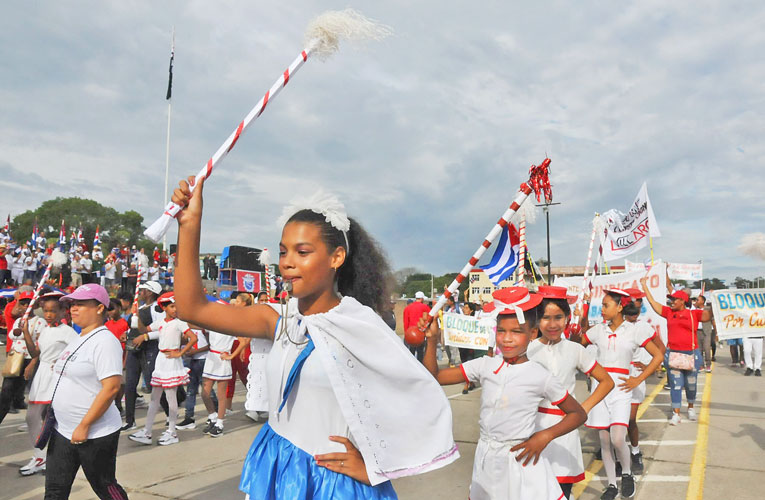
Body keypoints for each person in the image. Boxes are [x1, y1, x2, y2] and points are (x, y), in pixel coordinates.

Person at [171, 179, 457, 498]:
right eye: (283, 252)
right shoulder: (277, 319)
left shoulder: (359, 325)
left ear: (336, 257)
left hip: (334, 483)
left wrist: (377, 468)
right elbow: (192, 307)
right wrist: (190, 224)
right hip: (278, 464)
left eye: (302, 252)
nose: (287, 262)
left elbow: (416, 398)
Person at [422, 287, 587, 500]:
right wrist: (432, 340)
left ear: (532, 333)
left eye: (516, 331)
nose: (507, 339)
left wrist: (544, 436)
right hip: (486, 459)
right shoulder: (485, 365)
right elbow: (434, 377)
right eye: (501, 331)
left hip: (519, 459)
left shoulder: (540, 376)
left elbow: (578, 414)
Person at [527, 286, 615, 498]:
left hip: (564, 429)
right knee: (532, 488)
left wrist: (582, 409)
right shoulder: (527, 349)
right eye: (546, 317)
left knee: (562, 490)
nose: (552, 324)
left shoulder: (576, 350)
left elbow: (606, 381)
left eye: (558, 317)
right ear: (537, 320)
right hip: (531, 428)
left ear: (567, 318)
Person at [46, 284, 127, 499]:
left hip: (94, 432)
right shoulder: (78, 338)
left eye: (81, 304)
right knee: (55, 489)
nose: (73, 308)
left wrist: (85, 425)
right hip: (63, 429)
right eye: (72, 304)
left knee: (105, 486)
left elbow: (111, 388)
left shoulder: (105, 341)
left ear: (100, 308)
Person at [580, 289, 663, 500]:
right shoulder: (597, 330)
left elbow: (658, 355)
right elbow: (577, 347)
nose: (602, 310)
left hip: (622, 388)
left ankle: (626, 474)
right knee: (604, 441)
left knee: (618, 438)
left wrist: (638, 379)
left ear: (619, 307)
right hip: (600, 388)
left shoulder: (634, 331)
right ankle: (611, 485)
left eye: (606, 305)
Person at [16, 291, 79, 476]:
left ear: (62, 311)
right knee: (32, 418)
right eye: (45, 311)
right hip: (41, 376)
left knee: (50, 418)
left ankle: (49, 457)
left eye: (53, 310)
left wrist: (61, 364)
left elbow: (77, 353)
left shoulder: (67, 331)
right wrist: (26, 331)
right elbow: (35, 353)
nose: (49, 314)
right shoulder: (45, 330)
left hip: (55, 377)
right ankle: (41, 455)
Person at [128, 292, 196, 446]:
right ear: (164, 307)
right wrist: (137, 315)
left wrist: (180, 352)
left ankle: (172, 432)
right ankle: (147, 432)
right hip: (161, 361)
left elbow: (193, 338)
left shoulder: (180, 323)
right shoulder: (160, 322)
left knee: (171, 399)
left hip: (172, 361)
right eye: (172, 307)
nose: (175, 309)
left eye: (176, 306)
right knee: (154, 398)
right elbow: (143, 330)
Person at [640, 279, 711, 424]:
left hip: (691, 354)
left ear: (683, 301)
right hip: (673, 354)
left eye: (674, 299)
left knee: (691, 385)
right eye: (671, 299)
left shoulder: (694, 314)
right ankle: (676, 413)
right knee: (676, 385)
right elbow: (654, 304)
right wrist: (644, 286)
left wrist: (718, 304)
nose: (671, 302)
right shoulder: (668, 312)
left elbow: (709, 315)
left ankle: (690, 408)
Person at [622, 289, 666, 476]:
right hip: (615, 378)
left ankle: (635, 451)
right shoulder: (612, 326)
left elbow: (661, 348)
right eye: (632, 305)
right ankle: (615, 452)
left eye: (638, 304)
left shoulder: (644, 327)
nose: (635, 309)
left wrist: (648, 365)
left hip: (635, 378)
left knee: (630, 419)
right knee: (612, 421)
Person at [403, 291, 430, 361]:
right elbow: (429, 319)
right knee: (420, 353)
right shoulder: (425, 307)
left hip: (410, 333)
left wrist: (406, 334)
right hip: (421, 332)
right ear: (422, 299)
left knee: (411, 353)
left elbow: (405, 322)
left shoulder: (407, 308)